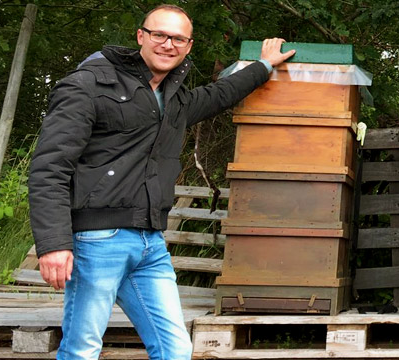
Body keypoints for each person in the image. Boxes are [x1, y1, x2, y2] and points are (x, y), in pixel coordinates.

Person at [27, 4, 294, 359]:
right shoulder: (89, 84)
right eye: (160, 35)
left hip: (149, 243)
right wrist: (52, 244)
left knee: (175, 349)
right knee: (82, 349)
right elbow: (49, 167)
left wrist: (262, 66)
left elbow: (220, 95)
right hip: (97, 242)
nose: (168, 44)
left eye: (178, 39)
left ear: (189, 46)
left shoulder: (173, 98)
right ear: (141, 36)